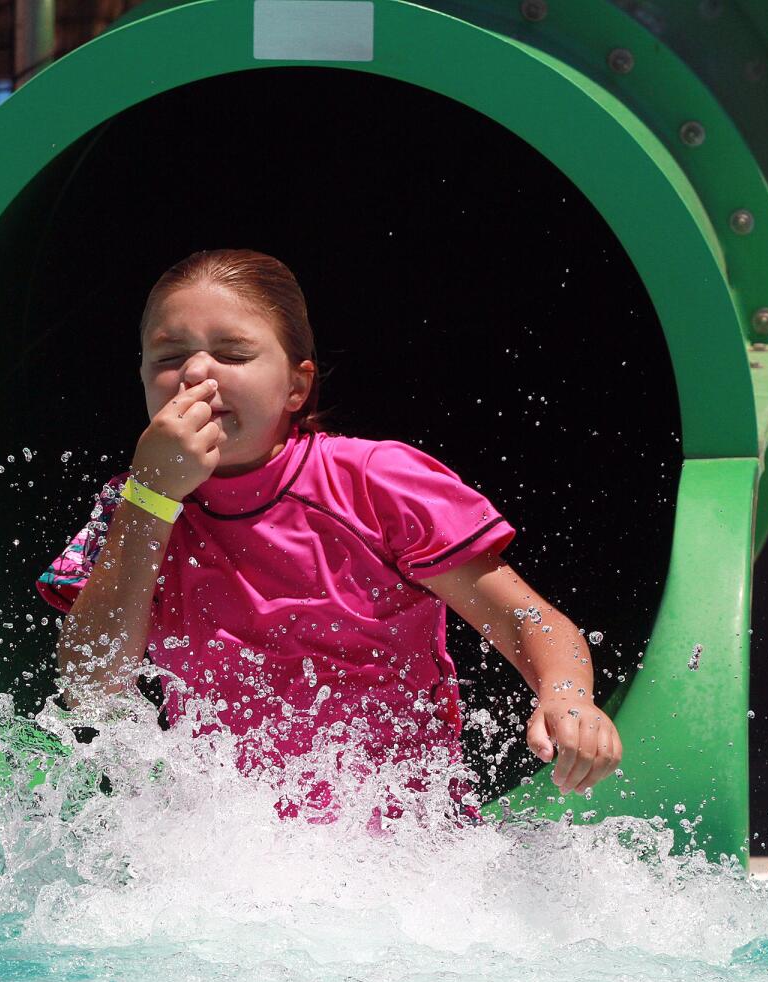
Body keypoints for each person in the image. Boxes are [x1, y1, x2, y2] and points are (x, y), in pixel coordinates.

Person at [36, 248, 622, 822]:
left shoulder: (372, 483)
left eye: (233, 353)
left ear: (296, 386)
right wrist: (151, 497)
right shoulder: (132, 507)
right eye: (168, 357)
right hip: (231, 848)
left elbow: (530, 621)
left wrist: (566, 695)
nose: (194, 373)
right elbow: (89, 688)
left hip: (402, 843)